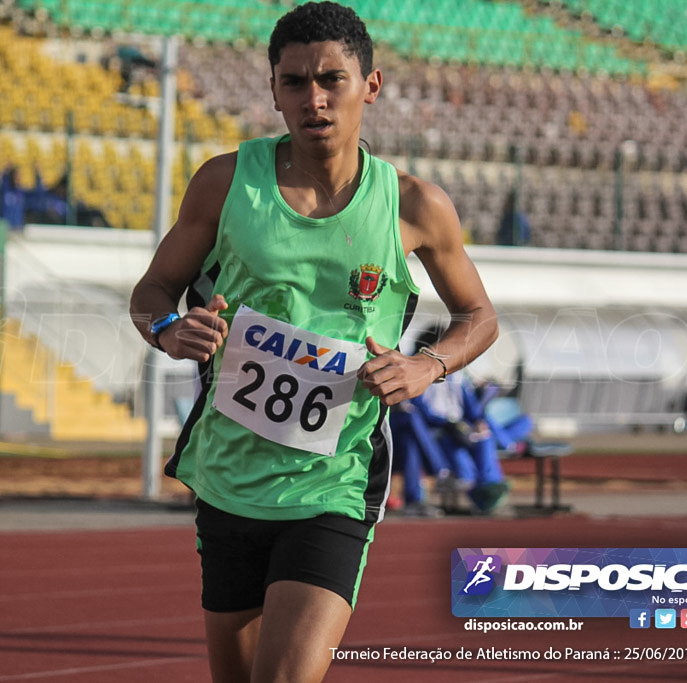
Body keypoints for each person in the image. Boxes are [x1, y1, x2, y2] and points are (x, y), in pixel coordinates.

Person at [129, 3, 497, 681]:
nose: (314, 98)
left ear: (372, 85)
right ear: (273, 90)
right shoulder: (224, 181)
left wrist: (427, 364)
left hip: (332, 482)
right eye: (294, 82)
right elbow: (150, 293)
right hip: (227, 476)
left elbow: (479, 314)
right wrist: (168, 328)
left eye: (333, 79)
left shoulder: (414, 205)